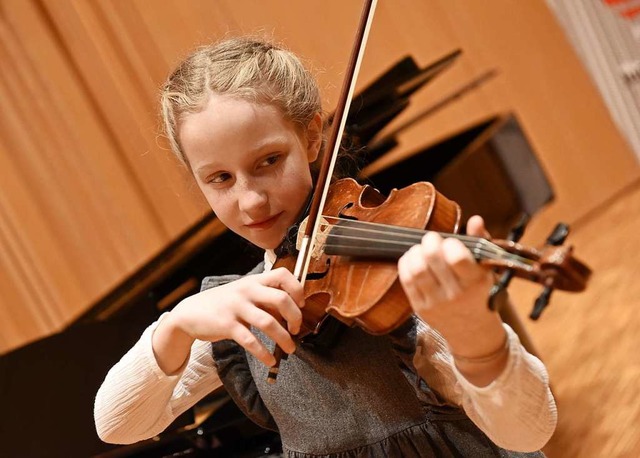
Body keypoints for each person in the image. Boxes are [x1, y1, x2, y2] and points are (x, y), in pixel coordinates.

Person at [94, 37, 557, 457]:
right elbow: (115, 424)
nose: (251, 199)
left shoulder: (396, 282)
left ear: (314, 136)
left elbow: (529, 433)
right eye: (220, 179)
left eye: (269, 161)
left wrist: (476, 335)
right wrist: (178, 325)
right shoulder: (246, 309)